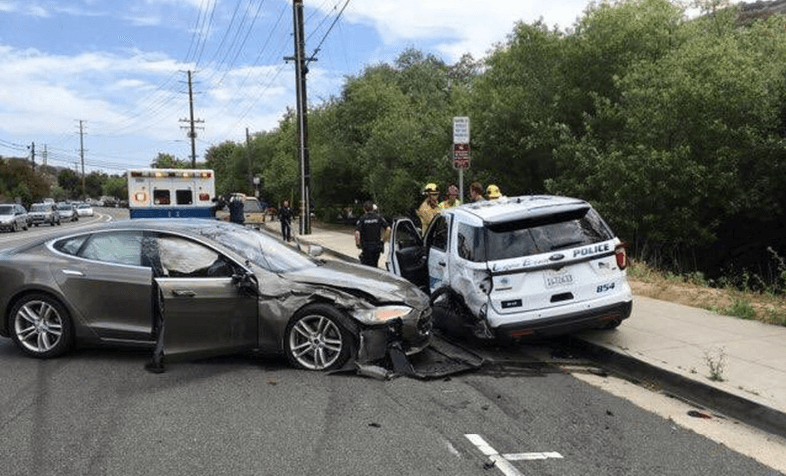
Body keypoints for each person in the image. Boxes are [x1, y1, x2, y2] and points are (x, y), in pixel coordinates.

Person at [354, 200, 389, 268]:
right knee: (375, 264)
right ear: (373, 208)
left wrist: (358, 243)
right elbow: (388, 229)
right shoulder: (379, 218)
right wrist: (383, 241)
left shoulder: (362, 219)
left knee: (367, 266)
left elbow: (357, 232)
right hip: (377, 246)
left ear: (364, 208)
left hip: (366, 246)